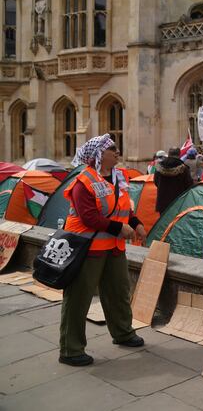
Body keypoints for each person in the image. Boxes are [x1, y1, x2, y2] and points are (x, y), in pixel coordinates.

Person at [59, 134, 146, 366]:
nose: (117, 151)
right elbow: (88, 217)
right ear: (99, 154)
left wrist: (136, 223)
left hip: (114, 247)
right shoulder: (83, 181)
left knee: (118, 292)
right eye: (112, 148)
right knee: (78, 298)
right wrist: (119, 227)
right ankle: (70, 349)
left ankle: (123, 333)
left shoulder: (119, 176)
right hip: (87, 248)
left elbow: (123, 207)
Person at [154, 147, 193, 214]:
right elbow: (189, 185)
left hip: (163, 202)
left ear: (168, 154)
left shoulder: (159, 167)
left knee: (163, 223)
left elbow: (156, 181)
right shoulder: (184, 168)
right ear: (179, 154)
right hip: (178, 202)